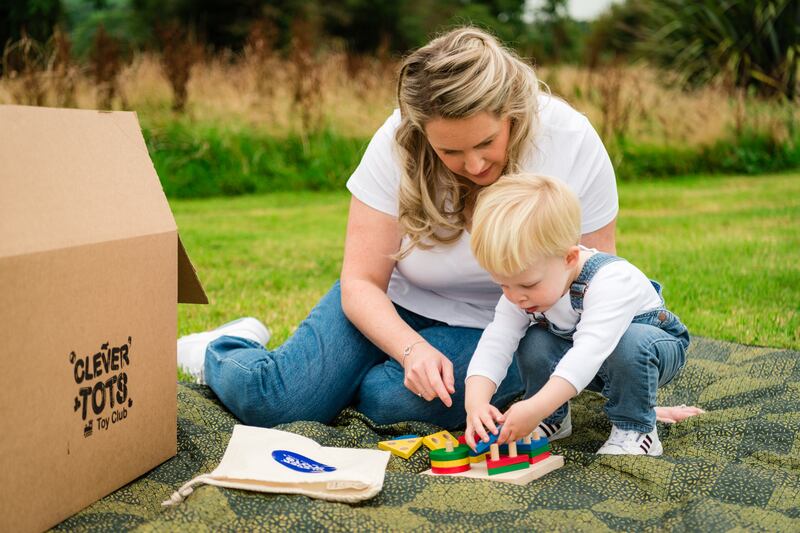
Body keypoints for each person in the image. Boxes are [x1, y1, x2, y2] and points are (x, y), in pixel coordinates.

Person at [178, 26, 696, 430]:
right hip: (395, 303)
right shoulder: (393, 144)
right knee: (275, 404)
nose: (474, 165)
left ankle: (345, 380)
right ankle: (223, 347)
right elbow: (360, 282)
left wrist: (631, 401)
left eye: (486, 143)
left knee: (390, 401)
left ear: (512, 112)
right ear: (421, 132)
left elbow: (595, 286)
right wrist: (410, 349)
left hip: (505, 326)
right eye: (450, 150)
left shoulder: (571, 141)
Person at [464, 174, 690, 455]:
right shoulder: (521, 291)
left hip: (648, 355)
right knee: (534, 340)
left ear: (569, 258)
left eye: (528, 285)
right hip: (588, 363)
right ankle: (552, 419)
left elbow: (588, 353)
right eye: (502, 284)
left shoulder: (611, 281)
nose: (515, 296)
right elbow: (496, 342)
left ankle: (636, 428)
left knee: (630, 343)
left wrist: (534, 407)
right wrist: (475, 403)